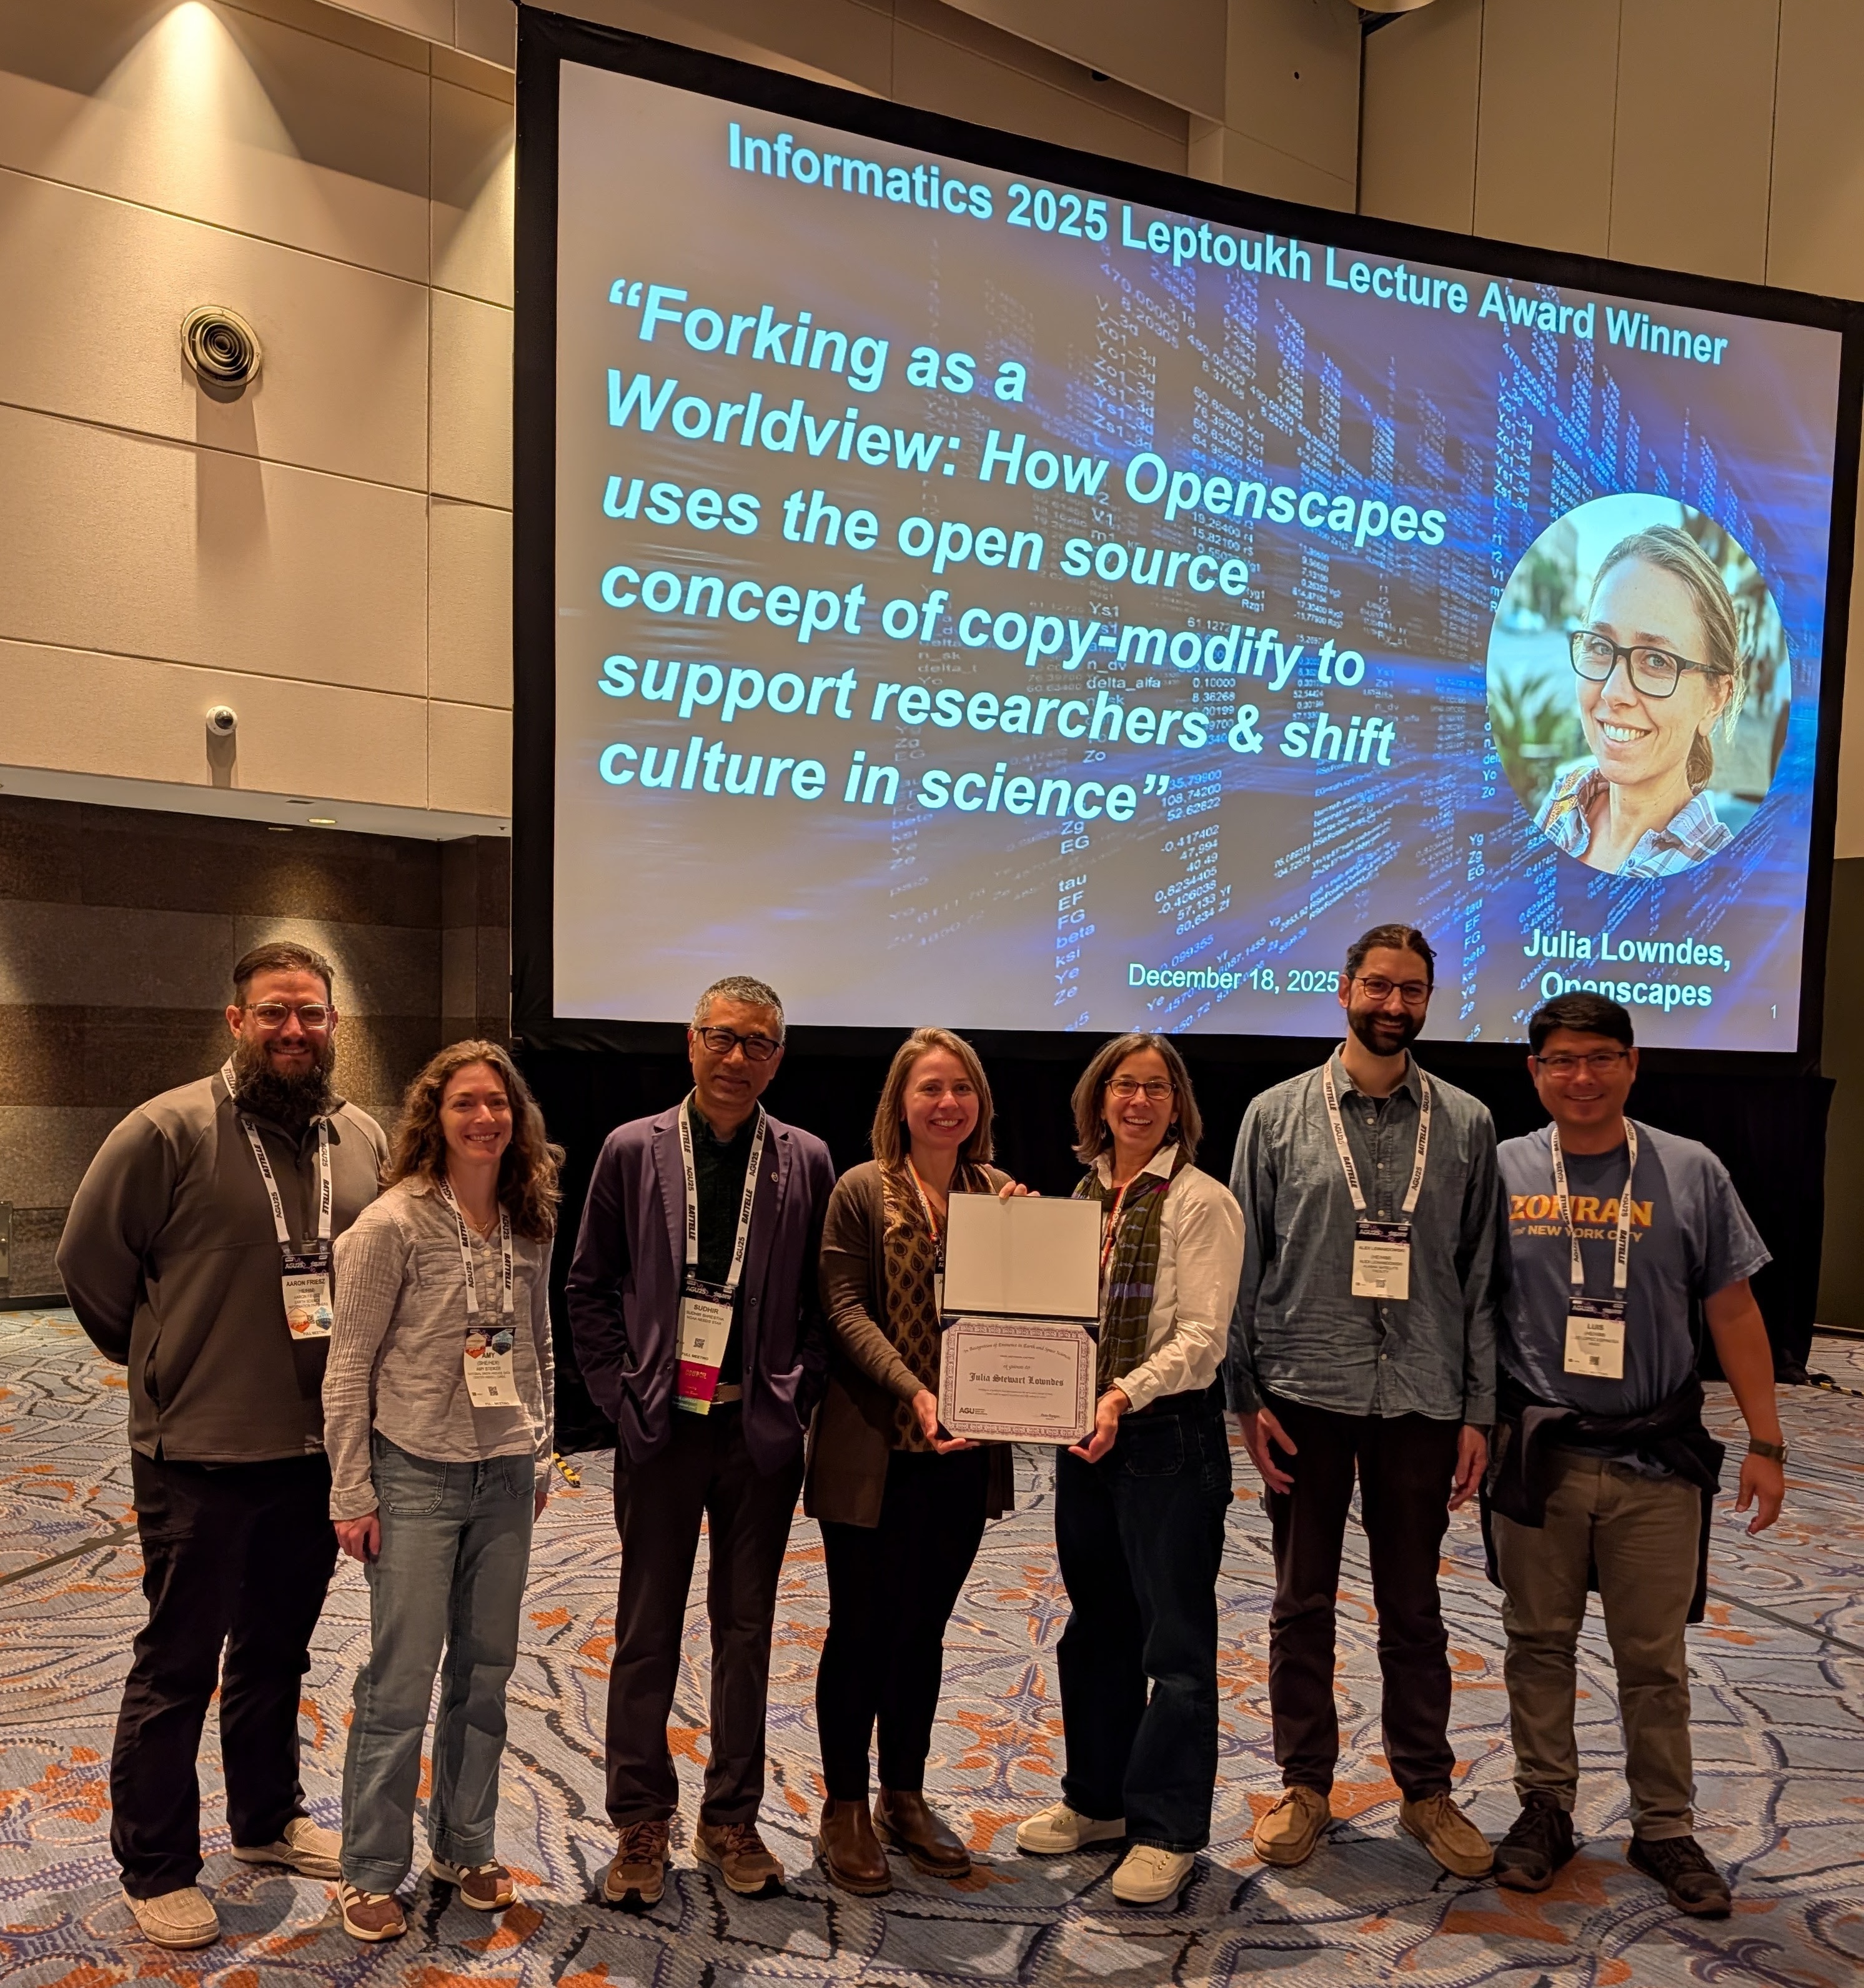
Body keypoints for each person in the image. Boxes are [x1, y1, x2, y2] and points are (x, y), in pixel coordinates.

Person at [57, 942, 388, 1951]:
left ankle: (265, 1818)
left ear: (334, 1024)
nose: (295, 1030)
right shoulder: (165, 1128)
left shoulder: (362, 1136)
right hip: (197, 1451)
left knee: (278, 1649)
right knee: (179, 1661)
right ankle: (157, 1864)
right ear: (237, 1020)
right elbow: (91, 1265)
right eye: (274, 1012)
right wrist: (168, 1362)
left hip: (314, 1446)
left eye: (312, 1014)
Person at [1487, 993, 1785, 1917]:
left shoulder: (1689, 1169)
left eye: (1601, 1057)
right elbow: (1467, 1311)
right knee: (1536, 1641)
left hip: (1656, 1458)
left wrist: (1766, 1439)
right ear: (1535, 1071)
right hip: (1540, 1455)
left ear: (1632, 1063)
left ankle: (1663, 1824)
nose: (1581, 1076)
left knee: (1652, 1657)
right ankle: (1546, 1805)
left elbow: (1732, 1308)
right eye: (1561, 1059)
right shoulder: (1500, 1170)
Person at [1226, 923, 1498, 1881]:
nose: (1394, 1004)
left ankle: (1425, 1789)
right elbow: (1244, 1262)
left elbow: (1481, 1277)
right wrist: (1243, 1395)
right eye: (1378, 986)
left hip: (1422, 1399)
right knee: (1301, 1601)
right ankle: (1305, 1784)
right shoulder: (1274, 1115)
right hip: (1304, 1392)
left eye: (1411, 990)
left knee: (1414, 1606)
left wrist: (1479, 1409)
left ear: (1429, 999)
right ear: (1343, 989)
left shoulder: (1467, 1123)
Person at [566, 975, 835, 1907]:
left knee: (746, 1630)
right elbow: (587, 1286)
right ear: (691, 1041)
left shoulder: (806, 1158)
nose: (736, 1057)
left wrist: (795, 1395)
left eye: (757, 1043)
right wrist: (619, 1395)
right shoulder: (629, 1148)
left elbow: (822, 1301)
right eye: (722, 1036)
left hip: (757, 1434)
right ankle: (640, 1817)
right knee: (646, 1629)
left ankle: (730, 1816)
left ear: (777, 1059)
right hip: (660, 1428)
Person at [321, 1042, 562, 1941]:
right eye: (465, 1103)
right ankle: (369, 1868)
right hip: (415, 1472)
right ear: (435, 1115)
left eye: (497, 1103)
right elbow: (347, 1366)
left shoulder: (528, 1218)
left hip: (505, 1475)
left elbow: (537, 1343)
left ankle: (466, 1844)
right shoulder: (390, 1224)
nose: (484, 1118)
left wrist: (541, 1453)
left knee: (486, 1670)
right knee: (402, 1678)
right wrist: (352, 1488)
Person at [1015, 1033, 1244, 1905]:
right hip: (1086, 1436)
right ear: (1098, 1100)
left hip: (1164, 1437)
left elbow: (1203, 1339)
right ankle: (1098, 1799)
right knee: (1095, 1628)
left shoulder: (1201, 1201)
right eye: (1124, 1085)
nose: (1138, 1101)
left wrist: (1121, 1393)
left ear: (1178, 1104)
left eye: (1156, 1087)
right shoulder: (1079, 1201)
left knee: (1174, 1644)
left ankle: (1167, 1828)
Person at [807, 1028, 1026, 1896]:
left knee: (922, 1629)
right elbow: (842, 1307)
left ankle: (904, 1792)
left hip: (962, 1455)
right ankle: (843, 1806)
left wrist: (1045, 1247)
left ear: (980, 1103)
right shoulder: (862, 1189)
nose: (947, 1102)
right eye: (930, 1087)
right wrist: (914, 1389)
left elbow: (1031, 1318)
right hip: (874, 1449)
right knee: (860, 1627)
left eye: (961, 1087)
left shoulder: (1001, 1196)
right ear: (900, 1101)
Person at [1535, 525, 1744, 877]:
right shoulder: (1565, 799)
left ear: (1715, 699)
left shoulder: (1725, 877)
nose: (1613, 692)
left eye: (1657, 661)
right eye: (1600, 647)